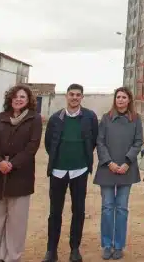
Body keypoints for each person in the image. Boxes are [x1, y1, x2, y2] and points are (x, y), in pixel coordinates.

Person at [0, 84, 43, 262]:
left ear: (28, 100)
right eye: (15, 96)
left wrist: (12, 164)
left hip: (20, 176)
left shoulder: (34, 119)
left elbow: (32, 146)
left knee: (17, 223)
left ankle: (12, 257)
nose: (18, 99)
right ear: (10, 98)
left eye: (22, 97)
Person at [43, 84, 99, 262]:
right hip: (58, 171)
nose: (75, 97)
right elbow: (48, 144)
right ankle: (51, 251)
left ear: (82, 97)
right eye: (72, 94)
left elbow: (93, 141)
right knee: (55, 212)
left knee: (79, 211)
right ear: (66, 96)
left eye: (78, 95)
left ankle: (75, 249)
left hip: (80, 171)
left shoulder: (90, 117)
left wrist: (83, 160)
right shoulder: (55, 118)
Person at [94, 87, 144, 260]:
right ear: (115, 100)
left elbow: (138, 142)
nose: (121, 100)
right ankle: (107, 245)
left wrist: (127, 162)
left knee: (121, 209)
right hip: (107, 169)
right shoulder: (106, 119)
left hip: (126, 170)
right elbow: (99, 142)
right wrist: (109, 163)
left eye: (124, 97)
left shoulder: (136, 119)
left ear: (129, 100)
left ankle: (118, 245)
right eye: (118, 97)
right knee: (107, 208)